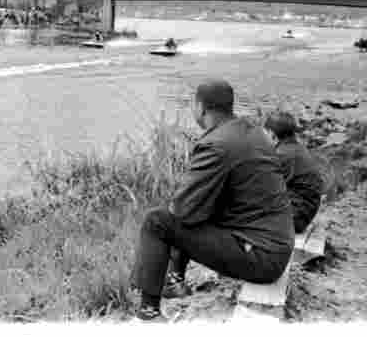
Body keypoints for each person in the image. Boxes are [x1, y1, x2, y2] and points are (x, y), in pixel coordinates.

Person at [130, 79, 293, 321]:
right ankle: (174, 283)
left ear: (200, 108)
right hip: (276, 247)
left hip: (261, 257)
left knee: (157, 221)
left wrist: (189, 200)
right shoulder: (255, 132)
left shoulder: (216, 144)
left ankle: (149, 314)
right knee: (195, 209)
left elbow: (182, 209)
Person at [264, 111, 324, 234]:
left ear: (272, 134)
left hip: (294, 216)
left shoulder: (282, 155)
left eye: (264, 134)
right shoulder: (297, 149)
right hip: (303, 213)